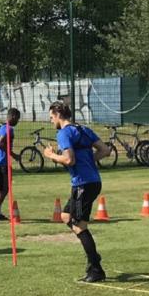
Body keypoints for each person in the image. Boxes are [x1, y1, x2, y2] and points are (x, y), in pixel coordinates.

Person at [43, 101, 111, 283]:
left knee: (79, 225)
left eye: (51, 118)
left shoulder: (64, 133)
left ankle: (96, 267)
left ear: (58, 115)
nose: (51, 121)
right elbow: (105, 150)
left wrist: (51, 156)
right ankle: (94, 258)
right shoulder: (83, 129)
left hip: (83, 183)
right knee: (66, 216)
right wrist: (88, 160)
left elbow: (69, 160)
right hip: (93, 181)